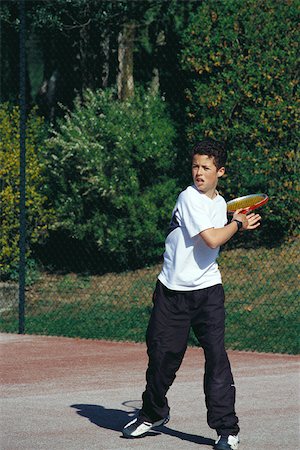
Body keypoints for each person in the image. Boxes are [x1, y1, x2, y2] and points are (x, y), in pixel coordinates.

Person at [122, 139, 261, 450]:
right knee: (161, 358)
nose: (199, 173)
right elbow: (213, 239)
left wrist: (236, 223)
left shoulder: (220, 204)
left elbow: (217, 235)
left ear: (220, 172)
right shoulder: (188, 197)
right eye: (195, 166)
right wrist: (237, 224)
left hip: (208, 293)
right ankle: (153, 413)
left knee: (217, 359)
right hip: (172, 294)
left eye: (206, 168)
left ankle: (227, 430)